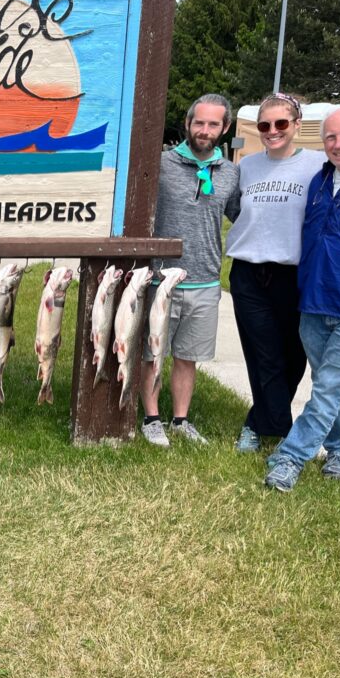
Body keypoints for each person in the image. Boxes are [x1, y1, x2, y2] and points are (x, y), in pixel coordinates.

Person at [264, 105, 340, 492]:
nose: (337, 144)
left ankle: (290, 458)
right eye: (331, 137)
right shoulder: (320, 180)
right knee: (329, 385)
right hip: (314, 301)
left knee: (329, 388)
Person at [140, 93, 240, 446]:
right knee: (152, 352)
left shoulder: (230, 173)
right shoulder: (160, 164)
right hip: (160, 278)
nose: (205, 130)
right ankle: (151, 418)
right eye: (199, 122)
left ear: (225, 128)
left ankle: (180, 420)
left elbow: (240, 217)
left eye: (214, 124)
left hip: (206, 280)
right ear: (187, 124)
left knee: (188, 356)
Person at [227, 93, 325, 452]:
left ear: (297, 125)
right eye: (265, 125)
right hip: (248, 271)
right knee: (261, 351)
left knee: (293, 355)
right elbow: (233, 209)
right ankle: (277, 428)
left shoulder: (318, 164)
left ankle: (261, 421)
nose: (272, 131)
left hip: (294, 273)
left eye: (281, 123)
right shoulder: (247, 166)